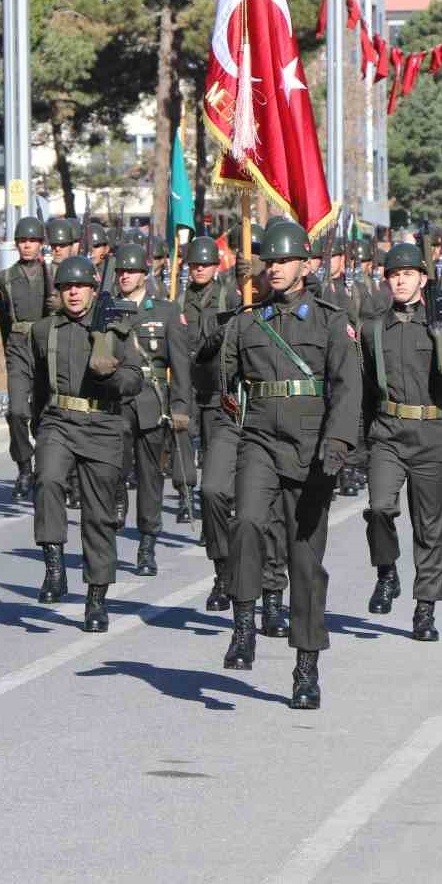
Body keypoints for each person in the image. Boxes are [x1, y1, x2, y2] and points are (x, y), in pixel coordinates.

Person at [218, 219, 360, 708]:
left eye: (283, 260)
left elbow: (347, 386)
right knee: (246, 524)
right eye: (269, 261)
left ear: (305, 264)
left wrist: (338, 439)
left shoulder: (330, 320)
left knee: (305, 561)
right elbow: (221, 380)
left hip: (311, 446)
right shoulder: (247, 320)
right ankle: (243, 623)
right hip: (259, 438)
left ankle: (306, 668)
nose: (274, 268)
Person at [12, 255, 143, 630]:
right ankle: (54, 567)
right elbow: (39, 382)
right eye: (67, 287)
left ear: (92, 290)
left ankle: (96, 599)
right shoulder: (44, 331)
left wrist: (111, 377)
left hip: (103, 423)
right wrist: (37, 420)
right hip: (59, 419)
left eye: (80, 286)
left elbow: (135, 378)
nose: (73, 293)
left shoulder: (116, 328)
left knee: (99, 516)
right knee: (48, 479)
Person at [362, 243, 442, 640]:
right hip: (387, 432)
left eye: (408, 273)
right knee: (378, 509)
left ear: (422, 279)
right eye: (394, 274)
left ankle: (425, 609)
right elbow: (365, 389)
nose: (401, 280)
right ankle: (386, 571)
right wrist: (356, 444)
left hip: (429, 434)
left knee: (430, 530)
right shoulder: (374, 329)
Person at [111, 241, 192, 576]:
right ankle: (117, 498)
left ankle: (147, 544)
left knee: (150, 477)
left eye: (131, 271)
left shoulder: (165, 312)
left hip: (151, 402)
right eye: (121, 271)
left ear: (144, 274)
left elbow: (180, 365)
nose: (125, 276)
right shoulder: (107, 309)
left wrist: (181, 406)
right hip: (115, 402)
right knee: (112, 467)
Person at [179, 235, 242, 609]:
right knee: (202, 480)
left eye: (205, 264)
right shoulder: (178, 299)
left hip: (225, 399)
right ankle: (221, 568)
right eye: (194, 265)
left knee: (221, 486)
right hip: (192, 393)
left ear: (216, 266)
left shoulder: (229, 294)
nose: (199, 269)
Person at [0, 216, 50, 502]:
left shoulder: (52, 275)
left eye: (32, 240)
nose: (27, 245)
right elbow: (2, 319)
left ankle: (49, 468)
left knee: (45, 413)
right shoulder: (3, 279)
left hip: (45, 349)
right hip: (17, 348)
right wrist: (10, 349)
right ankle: (24, 466)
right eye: (23, 241)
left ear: (41, 244)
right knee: (17, 411)